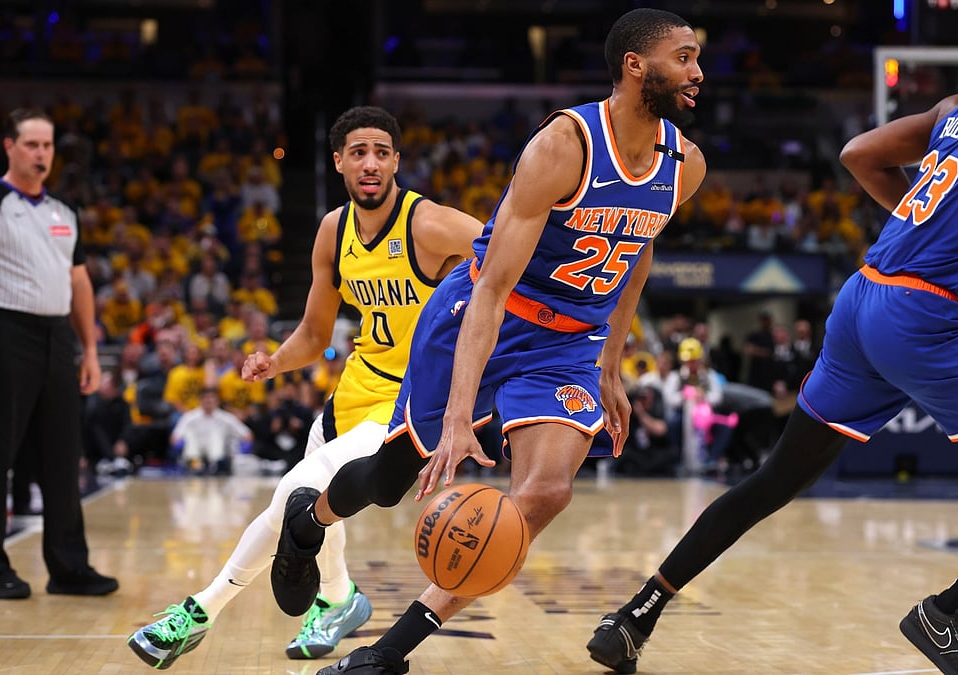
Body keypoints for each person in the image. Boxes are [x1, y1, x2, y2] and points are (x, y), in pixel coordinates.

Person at [586, 11, 958, 675]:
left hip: (862, 297)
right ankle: (953, 609)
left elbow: (860, 154)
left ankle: (635, 615)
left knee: (777, 477)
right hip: (922, 318)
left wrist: (920, 225)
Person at [269, 8, 706, 674]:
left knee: (546, 492)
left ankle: (388, 654)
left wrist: (611, 364)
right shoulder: (564, 147)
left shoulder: (684, 164)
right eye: (684, 56)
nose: (698, 71)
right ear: (634, 66)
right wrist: (455, 417)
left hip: (567, 344)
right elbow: (492, 290)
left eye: (697, 57)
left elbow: (639, 247)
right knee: (392, 478)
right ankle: (308, 521)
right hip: (482, 314)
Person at [127, 106, 484, 668]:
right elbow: (316, 333)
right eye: (359, 152)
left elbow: (510, 261)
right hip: (350, 394)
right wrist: (274, 360)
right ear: (339, 161)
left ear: (396, 162)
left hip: (406, 403)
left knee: (292, 496)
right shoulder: (332, 230)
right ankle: (341, 601)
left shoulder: (431, 224)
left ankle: (199, 612)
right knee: (317, 509)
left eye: (382, 152)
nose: (371, 163)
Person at [0, 108, 119, 599]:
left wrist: (89, 350)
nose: (42, 154)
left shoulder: (63, 211)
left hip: (57, 338)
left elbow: (79, 282)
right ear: (10, 146)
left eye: (47, 146)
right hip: (5, 333)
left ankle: (69, 567)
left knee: (63, 456)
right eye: (32, 145)